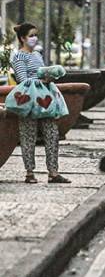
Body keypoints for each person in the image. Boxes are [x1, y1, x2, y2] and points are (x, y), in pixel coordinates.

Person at [11, 23, 71, 184]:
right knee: (28, 135)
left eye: (35, 35)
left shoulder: (37, 54)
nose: (34, 38)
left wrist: (50, 76)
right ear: (22, 38)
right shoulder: (18, 57)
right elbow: (22, 80)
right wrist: (41, 79)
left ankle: (53, 172)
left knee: (52, 134)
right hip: (28, 100)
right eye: (31, 35)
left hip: (45, 98)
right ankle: (29, 173)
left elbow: (42, 71)